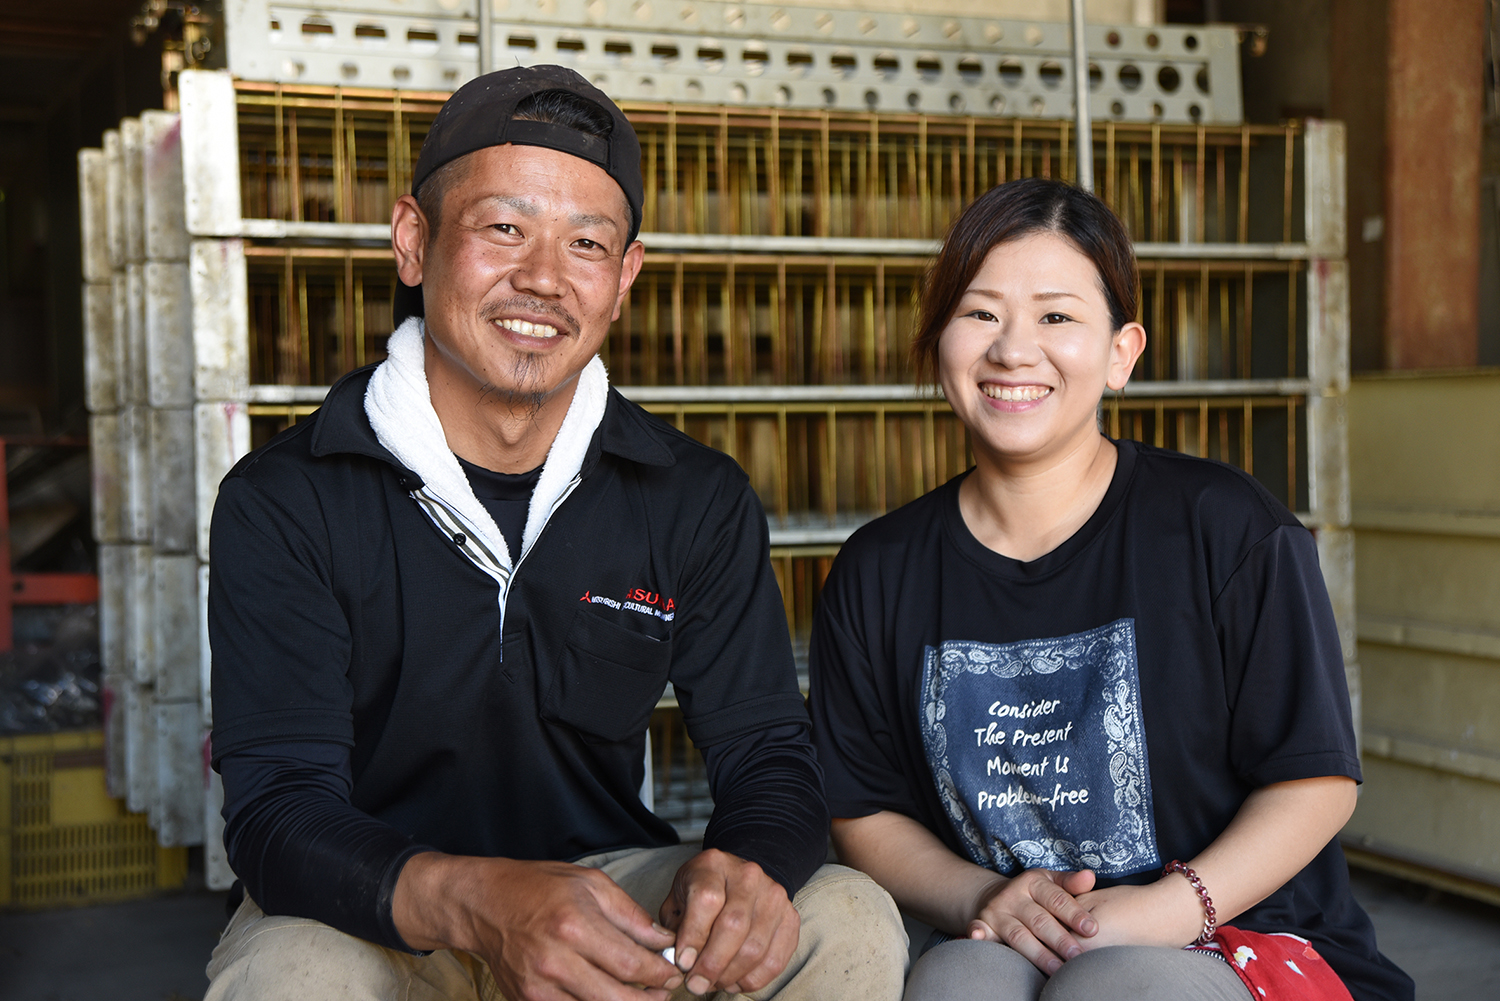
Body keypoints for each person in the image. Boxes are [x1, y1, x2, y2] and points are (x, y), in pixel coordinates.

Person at [205, 65, 906, 1001]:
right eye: (503, 228)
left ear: (624, 278)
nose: (542, 278)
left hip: (609, 899)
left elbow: (769, 753)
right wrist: (479, 900)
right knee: (288, 973)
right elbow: (277, 813)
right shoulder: (287, 498)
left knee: (844, 916)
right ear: (414, 241)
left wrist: (743, 867)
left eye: (585, 243)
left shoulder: (691, 496)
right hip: (379, 911)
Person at [806, 177, 1413, 1001]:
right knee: (957, 983)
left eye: (1057, 316)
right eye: (980, 313)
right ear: (938, 339)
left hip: (1239, 934)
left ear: (1122, 353)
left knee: (1114, 987)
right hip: (1011, 930)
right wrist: (982, 895)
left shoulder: (1226, 526)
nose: (1014, 349)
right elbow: (863, 807)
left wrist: (1163, 911)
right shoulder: (879, 569)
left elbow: (1315, 780)